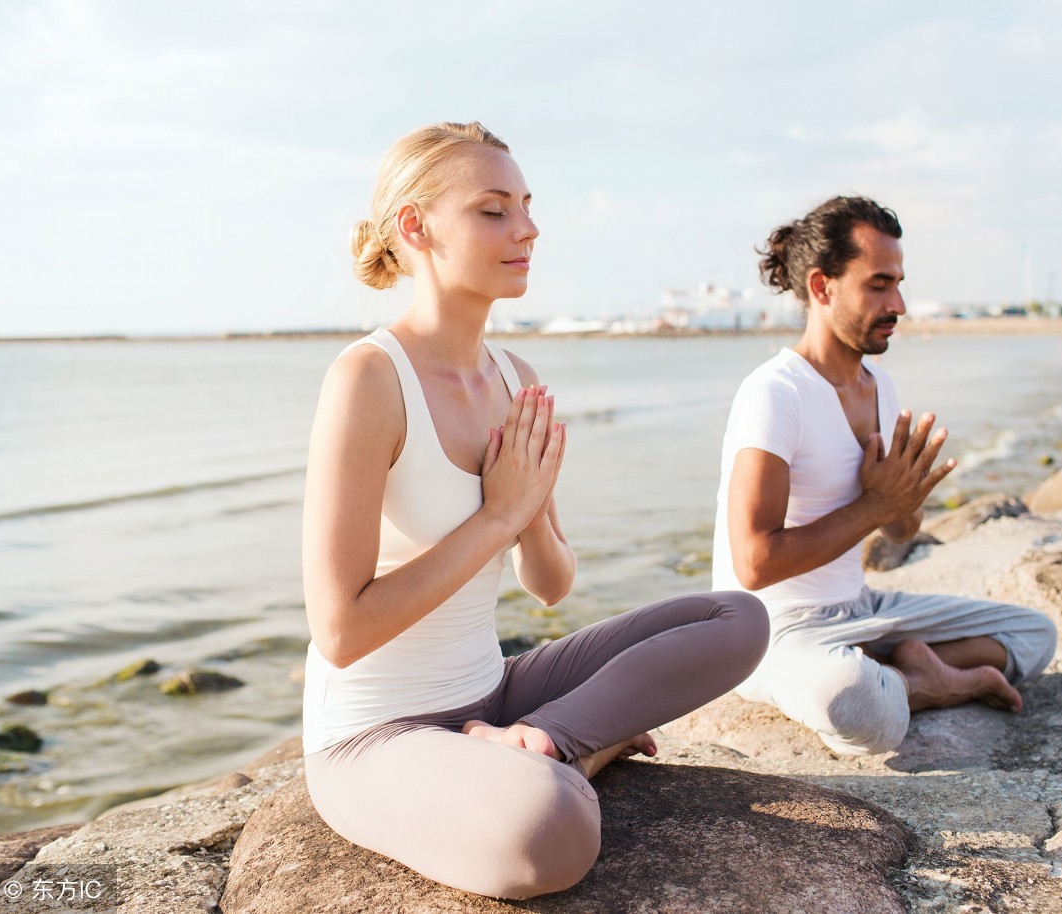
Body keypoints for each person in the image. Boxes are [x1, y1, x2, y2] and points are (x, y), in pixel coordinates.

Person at [300, 122, 768, 900]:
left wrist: (532, 511)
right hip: (374, 734)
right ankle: (577, 756)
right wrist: (494, 515)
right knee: (551, 833)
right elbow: (340, 631)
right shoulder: (368, 381)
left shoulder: (514, 376)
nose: (527, 229)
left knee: (739, 621)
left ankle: (544, 741)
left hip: (496, 693)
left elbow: (549, 585)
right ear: (417, 228)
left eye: (525, 206)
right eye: (492, 211)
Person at [711, 195, 1056, 757]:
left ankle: (892, 667)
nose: (897, 303)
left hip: (861, 610)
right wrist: (873, 506)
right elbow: (754, 563)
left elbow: (899, 532)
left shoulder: (879, 387)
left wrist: (903, 498)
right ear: (822, 287)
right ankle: (928, 681)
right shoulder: (774, 393)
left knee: (1035, 634)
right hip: (770, 630)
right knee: (850, 701)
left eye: (898, 283)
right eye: (878, 285)